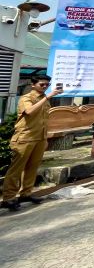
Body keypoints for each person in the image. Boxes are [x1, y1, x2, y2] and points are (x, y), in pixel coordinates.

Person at [1, 75, 63, 211]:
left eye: (47, 84)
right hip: (25, 138)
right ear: (33, 85)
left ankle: (26, 193)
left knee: (32, 168)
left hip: (39, 138)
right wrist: (48, 96)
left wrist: (45, 138)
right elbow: (29, 111)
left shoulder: (45, 100)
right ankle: (8, 197)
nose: (45, 87)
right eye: (42, 84)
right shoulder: (26, 98)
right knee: (16, 169)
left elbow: (44, 120)